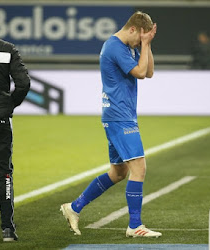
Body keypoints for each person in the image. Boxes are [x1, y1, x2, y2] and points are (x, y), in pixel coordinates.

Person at [60, 11, 161, 238]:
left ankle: (73, 207)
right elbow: (141, 73)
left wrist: (147, 45)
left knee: (118, 172)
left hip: (120, 115)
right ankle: (135, 225)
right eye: (140, 39)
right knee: (139, 168)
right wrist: (143, 45)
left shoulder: (130, 46)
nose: (139, 44)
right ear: (133, 29)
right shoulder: (114, 46)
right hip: (119, 116)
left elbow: (150, 71)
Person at [0, 4, 30, 242]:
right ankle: (7, 230)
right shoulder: (7, 50)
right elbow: (23, 84)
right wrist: (9, 105)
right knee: (4, 175)